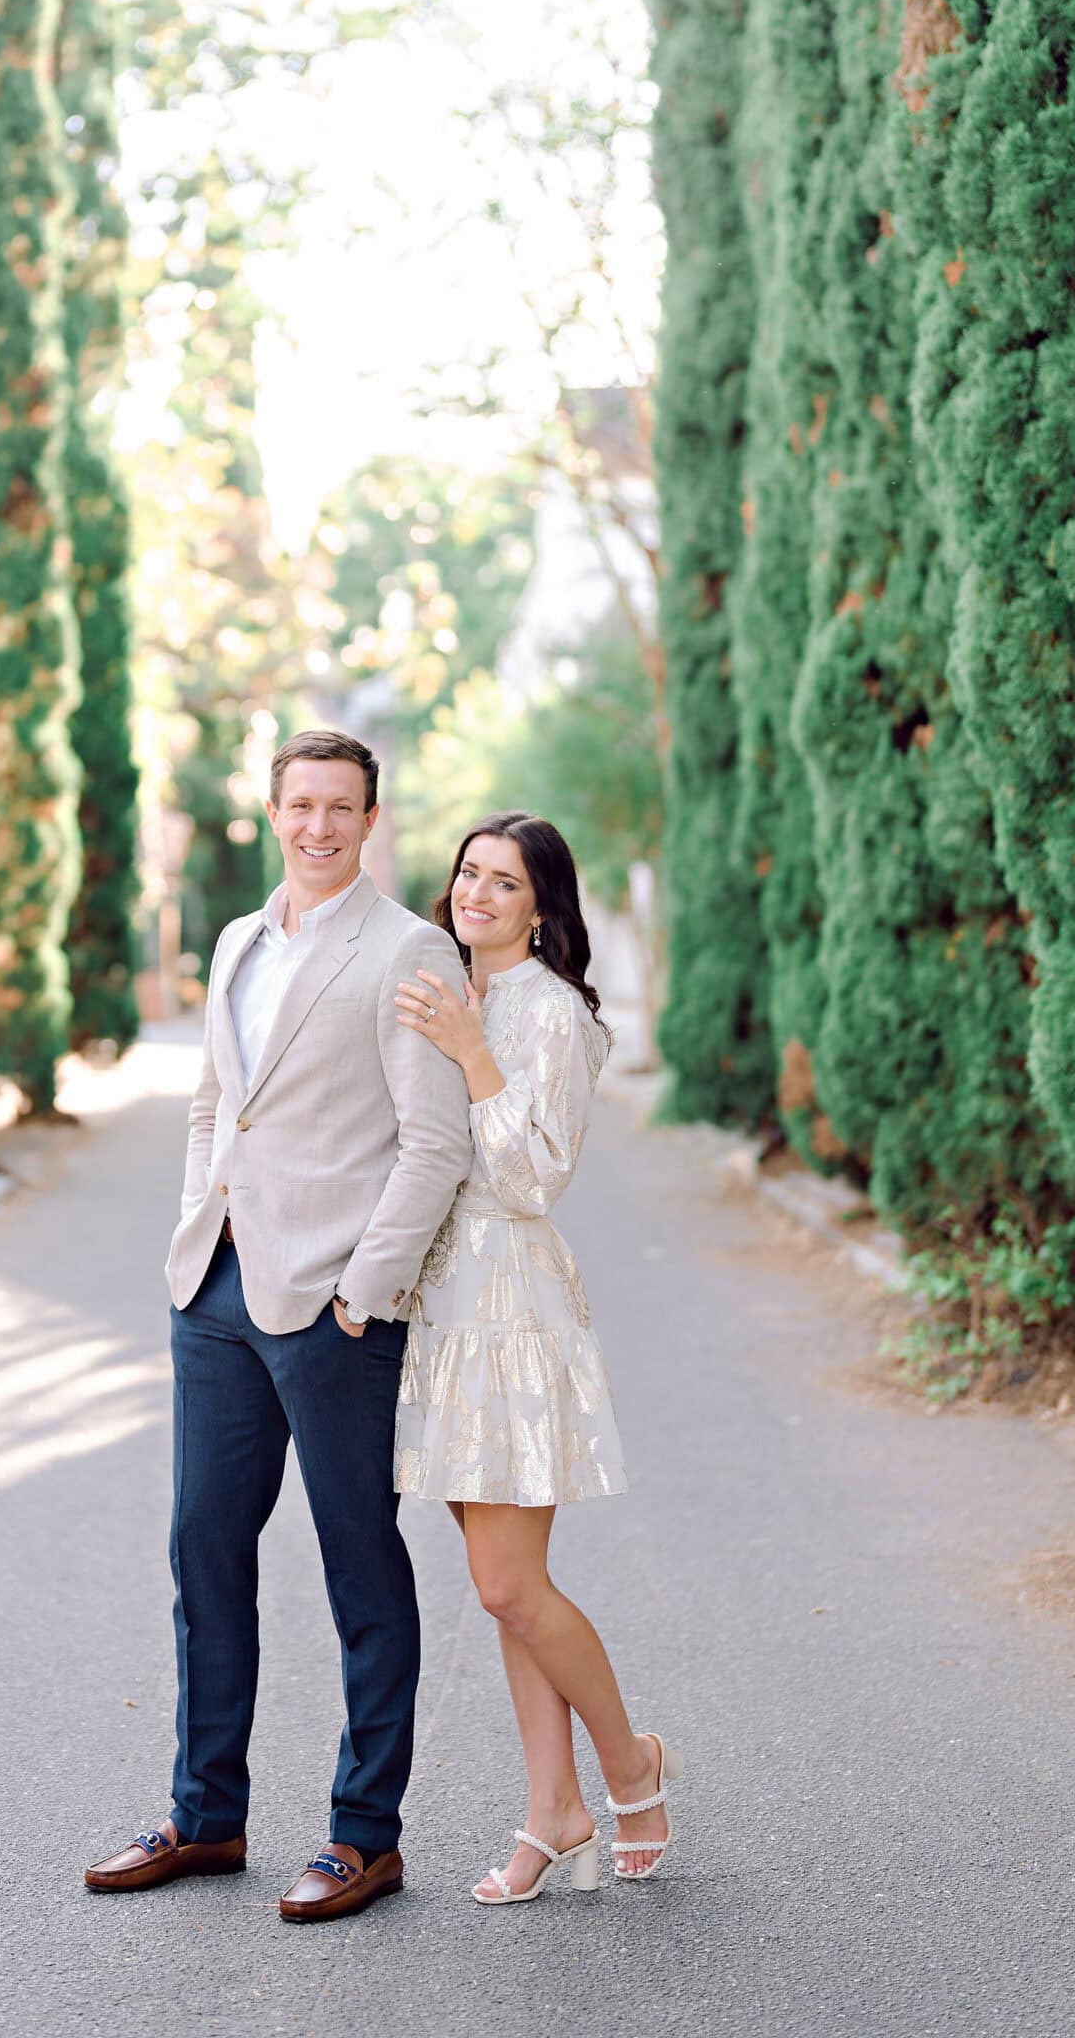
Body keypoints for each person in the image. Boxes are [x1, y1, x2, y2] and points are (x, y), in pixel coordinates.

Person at [84, 728, 472, 1923]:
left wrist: (365, 1288)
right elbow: (216, 1103)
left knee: (359, 1558)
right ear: (272, 808)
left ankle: (367, 1833)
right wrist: (194, 1229)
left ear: (370, 818)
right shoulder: (240, 941)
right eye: (300, 804)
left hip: (334, 1309)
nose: (318, 826)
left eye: (340, 808)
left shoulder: (410, 949)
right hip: (216, 1291)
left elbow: (435, 1142)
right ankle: (206, 1815)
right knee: (204, 1547)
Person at [393, 811, 680, 1905]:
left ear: (542, 907)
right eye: (469, 872)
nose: (478, 892)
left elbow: (529, 1177)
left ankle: (630, 1768)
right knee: (508, 1592)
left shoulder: (550, 1013)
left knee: (508, 1581)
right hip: (442, 1308)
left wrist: (471, 1052)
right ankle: (554, 1811)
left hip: (510, 1306)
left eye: (504, 882)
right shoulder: (445, 983)